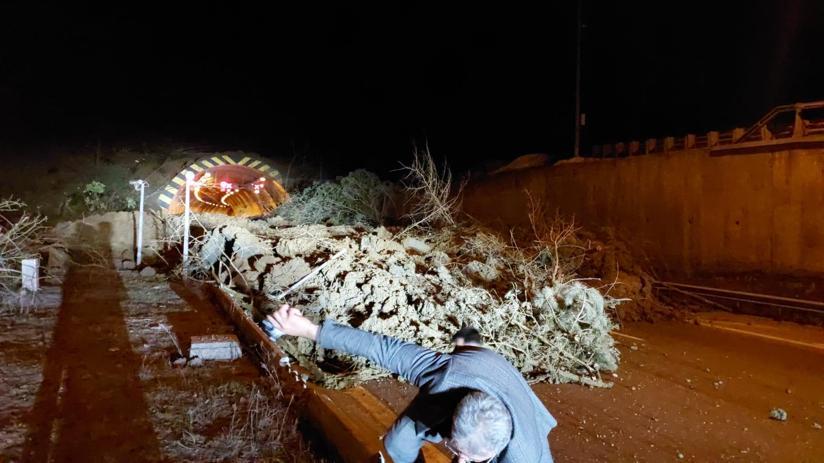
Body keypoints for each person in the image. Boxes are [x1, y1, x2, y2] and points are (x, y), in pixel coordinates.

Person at [267, 305, 557, 463]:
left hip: (508, 386)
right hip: (473, 364)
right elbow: (382, 349)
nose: (459, 462)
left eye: (472, 459)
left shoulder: (526, 455)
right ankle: (466, 339)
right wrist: (309, 329)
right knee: (398, 443)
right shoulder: (444, 374)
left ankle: (467, 338)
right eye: (456, 453)